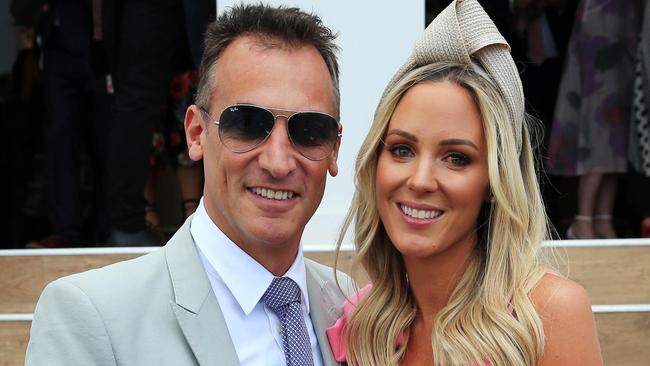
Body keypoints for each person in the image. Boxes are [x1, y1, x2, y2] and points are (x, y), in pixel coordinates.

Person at [25, 4, 351, 365]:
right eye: (246, 123)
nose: (277, 162)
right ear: (195, 133)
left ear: (334, 148)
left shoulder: (355, 307)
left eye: (308, 131)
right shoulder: (92, 316)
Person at [327, 1, 602, 365]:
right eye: (402, 149)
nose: (421, 180)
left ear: (494, 181)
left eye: (456, 158)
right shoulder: (362, 323)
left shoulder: (547, 314)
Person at [547, 0, 642, 239]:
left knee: (617, 130)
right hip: (603, 24)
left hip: (627, 26)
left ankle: (602, 217)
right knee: (599, 121)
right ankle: (584, 218)